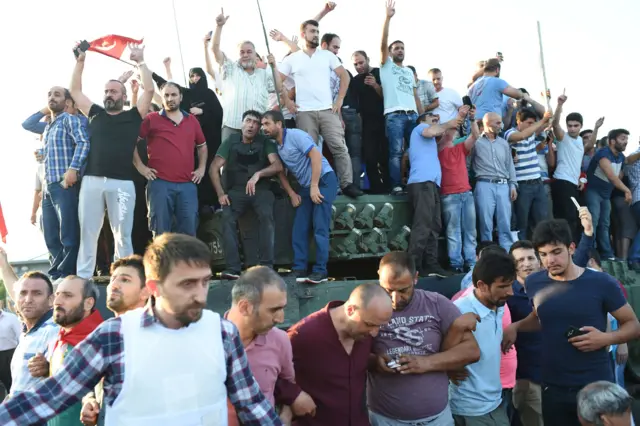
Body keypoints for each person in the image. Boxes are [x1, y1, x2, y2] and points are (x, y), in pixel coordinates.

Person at [0, 233, 283, 425]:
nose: (200, 293)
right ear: (153, 288)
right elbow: (53, 396)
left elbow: (252, 404)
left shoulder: (222, 334)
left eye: (204, 281)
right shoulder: (113, 336)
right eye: (187, 284)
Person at [503, 219, 640, 426]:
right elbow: (541, 318)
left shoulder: (602, 283)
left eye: (556, 252)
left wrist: (606, 338)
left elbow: (633, 325)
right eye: (544, 254)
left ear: (571, 248)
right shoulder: (534, 282)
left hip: (595, 385)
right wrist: (516, 327)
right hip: (552, 386)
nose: (550, 260)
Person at [70, 45, 154, 279]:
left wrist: (141, 62)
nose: (109, 94)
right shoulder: (95, 112)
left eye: (114, 91)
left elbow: (148, 89)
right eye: (107, 91)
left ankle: (123, 277)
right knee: (88, 232)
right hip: (92, 181)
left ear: (124, 96)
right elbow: (75, 91)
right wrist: (80, 63)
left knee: (122, 235)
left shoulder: (134, 116)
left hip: (123, 183)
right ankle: (84, 278)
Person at [368, 252, 480, 426]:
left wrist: (424, 363)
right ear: (379, 277)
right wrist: (374, 362)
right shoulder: (367, 306)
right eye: (388, 290)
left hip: (436, 419)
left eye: (403, 291)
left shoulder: (436, 304)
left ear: (415, 278)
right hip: (386, 419)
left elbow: (471, 351)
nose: (395, 300)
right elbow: (348, 352)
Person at [287, 283, 393, 426]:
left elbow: (344, 363)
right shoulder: (303, 334)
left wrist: (375, 362)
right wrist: (293, 395)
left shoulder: (363, 332)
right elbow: (268, 371)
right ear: (350, 310)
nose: (374, 333)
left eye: (379, 326)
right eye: (369, 324)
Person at [225, 266, 314, 425]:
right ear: (244, 307)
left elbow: (288, 387)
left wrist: (285, 416)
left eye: (282, 308)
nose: (280, 319)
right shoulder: (209, 342)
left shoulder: (280, 341)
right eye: (274, 310)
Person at [261, 110, 337, 284]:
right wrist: (292, 193)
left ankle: (320, 271)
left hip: (324, 181)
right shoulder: (276, 146)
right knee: (299, 228)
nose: (264, 128)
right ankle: (299, 269)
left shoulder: (296, 135)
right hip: (305, 187)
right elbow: (280, 171)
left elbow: (316, 156)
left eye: (267, 124)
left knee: (319, 227)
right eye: (263, 124)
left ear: (279, 124)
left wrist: (314, 185)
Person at [211, 110, 283, 279]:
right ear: (241, 123)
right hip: (236, 191)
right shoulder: (231, 141)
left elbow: (277, 165)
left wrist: (259, 174)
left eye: (256, 123)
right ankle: (233, 268)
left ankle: (267, 265)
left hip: (261, 190)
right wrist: (221, 194)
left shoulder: (265, 142)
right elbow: (214, 168)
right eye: (248, 121)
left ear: (259, 127)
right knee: (227, 219)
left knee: (266, 216)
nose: (251, 125)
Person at [449, 250, 516, 425]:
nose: (510, 292)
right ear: (482, 285)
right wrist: (449, 369)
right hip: (469, 409)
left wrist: (515, 327)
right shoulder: (458, 311)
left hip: (494, 402)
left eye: (511, 285)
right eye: (503, 286)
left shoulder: (498, 303)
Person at [80, 255, 149, 426]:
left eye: (125, 280)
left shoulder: (161, 335)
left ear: (146, 291)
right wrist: (89, 401)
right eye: (113, 279)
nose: (114, 285)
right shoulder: (104, 333)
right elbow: (82, 380)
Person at [135, 82, 208, 237]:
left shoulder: (192, 121)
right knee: (161, 234)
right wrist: (141, 167)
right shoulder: (151, 119)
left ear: (181, 97)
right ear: (161, 98)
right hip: (159, 184)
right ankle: (162, 263)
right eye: (166, 95)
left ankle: (186, 263)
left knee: (189, 233)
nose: (170, 98)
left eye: (173, 95)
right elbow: (131, 143)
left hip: (187, 185)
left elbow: (202, 146)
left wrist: (201, 169)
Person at [40, 86, 90, 280]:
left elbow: (84, 142)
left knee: (68, 232)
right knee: (50, 234)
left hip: (64, 184)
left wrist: (73, 168)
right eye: (49, 94)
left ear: (66, 101)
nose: (52, 97)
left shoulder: (70, 120)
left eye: (57, 94)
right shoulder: (48, 126)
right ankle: (56, 272)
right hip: (47, 187)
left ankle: (68, 272)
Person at [0, 247, 60, 397]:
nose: (28, 300)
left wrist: (50, 368)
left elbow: (69, 372)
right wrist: (3, 264)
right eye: (23, 293)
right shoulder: (28, 331)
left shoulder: (54, 330)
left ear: (51, 300)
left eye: (37, 293)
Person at [379, 0, 423, 194]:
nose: (400, 50)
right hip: (395, 116)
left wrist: (422, 119)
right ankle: (396, 185)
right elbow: (382, 42)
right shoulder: (386, 66)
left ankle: (415, 181)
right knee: (396, 152)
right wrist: (387, 18)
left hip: (413, 115)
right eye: (396, 48)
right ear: (390, 52)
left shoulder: (408, 72)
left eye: (402, 48)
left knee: (416, 151)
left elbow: (415, 95)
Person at [47, 276, 103, 426]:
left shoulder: (101, 342)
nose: (57, 301)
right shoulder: (59, 337)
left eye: (67, 295)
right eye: (57, 294)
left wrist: (91, 400)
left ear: (88, 303)